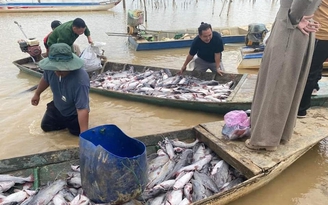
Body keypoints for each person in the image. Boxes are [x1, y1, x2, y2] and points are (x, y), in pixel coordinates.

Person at [245, 0, 321, 151]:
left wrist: (294, 18)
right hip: (298, 26)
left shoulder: (292, 20)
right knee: (288, 82)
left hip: (289, 28)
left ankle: (264, 139)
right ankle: (279, 134)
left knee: (277, 82)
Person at [31, 43, 90, 136]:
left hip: (73, 113)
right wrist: (37, 94)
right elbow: (45, 79)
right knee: (46, 127)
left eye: (62, 69)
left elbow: (82, 108)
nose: (58, 72)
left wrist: (85, 135)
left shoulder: (80, 79)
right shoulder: (50, 69)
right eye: (56, 68)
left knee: (77, 134)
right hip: (57, 107)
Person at [298, 0, 328, 118]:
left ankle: (301, 109)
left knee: (308, 70)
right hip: (324, 33)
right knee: (316, 65)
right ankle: (315, 87)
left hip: (319, 32)